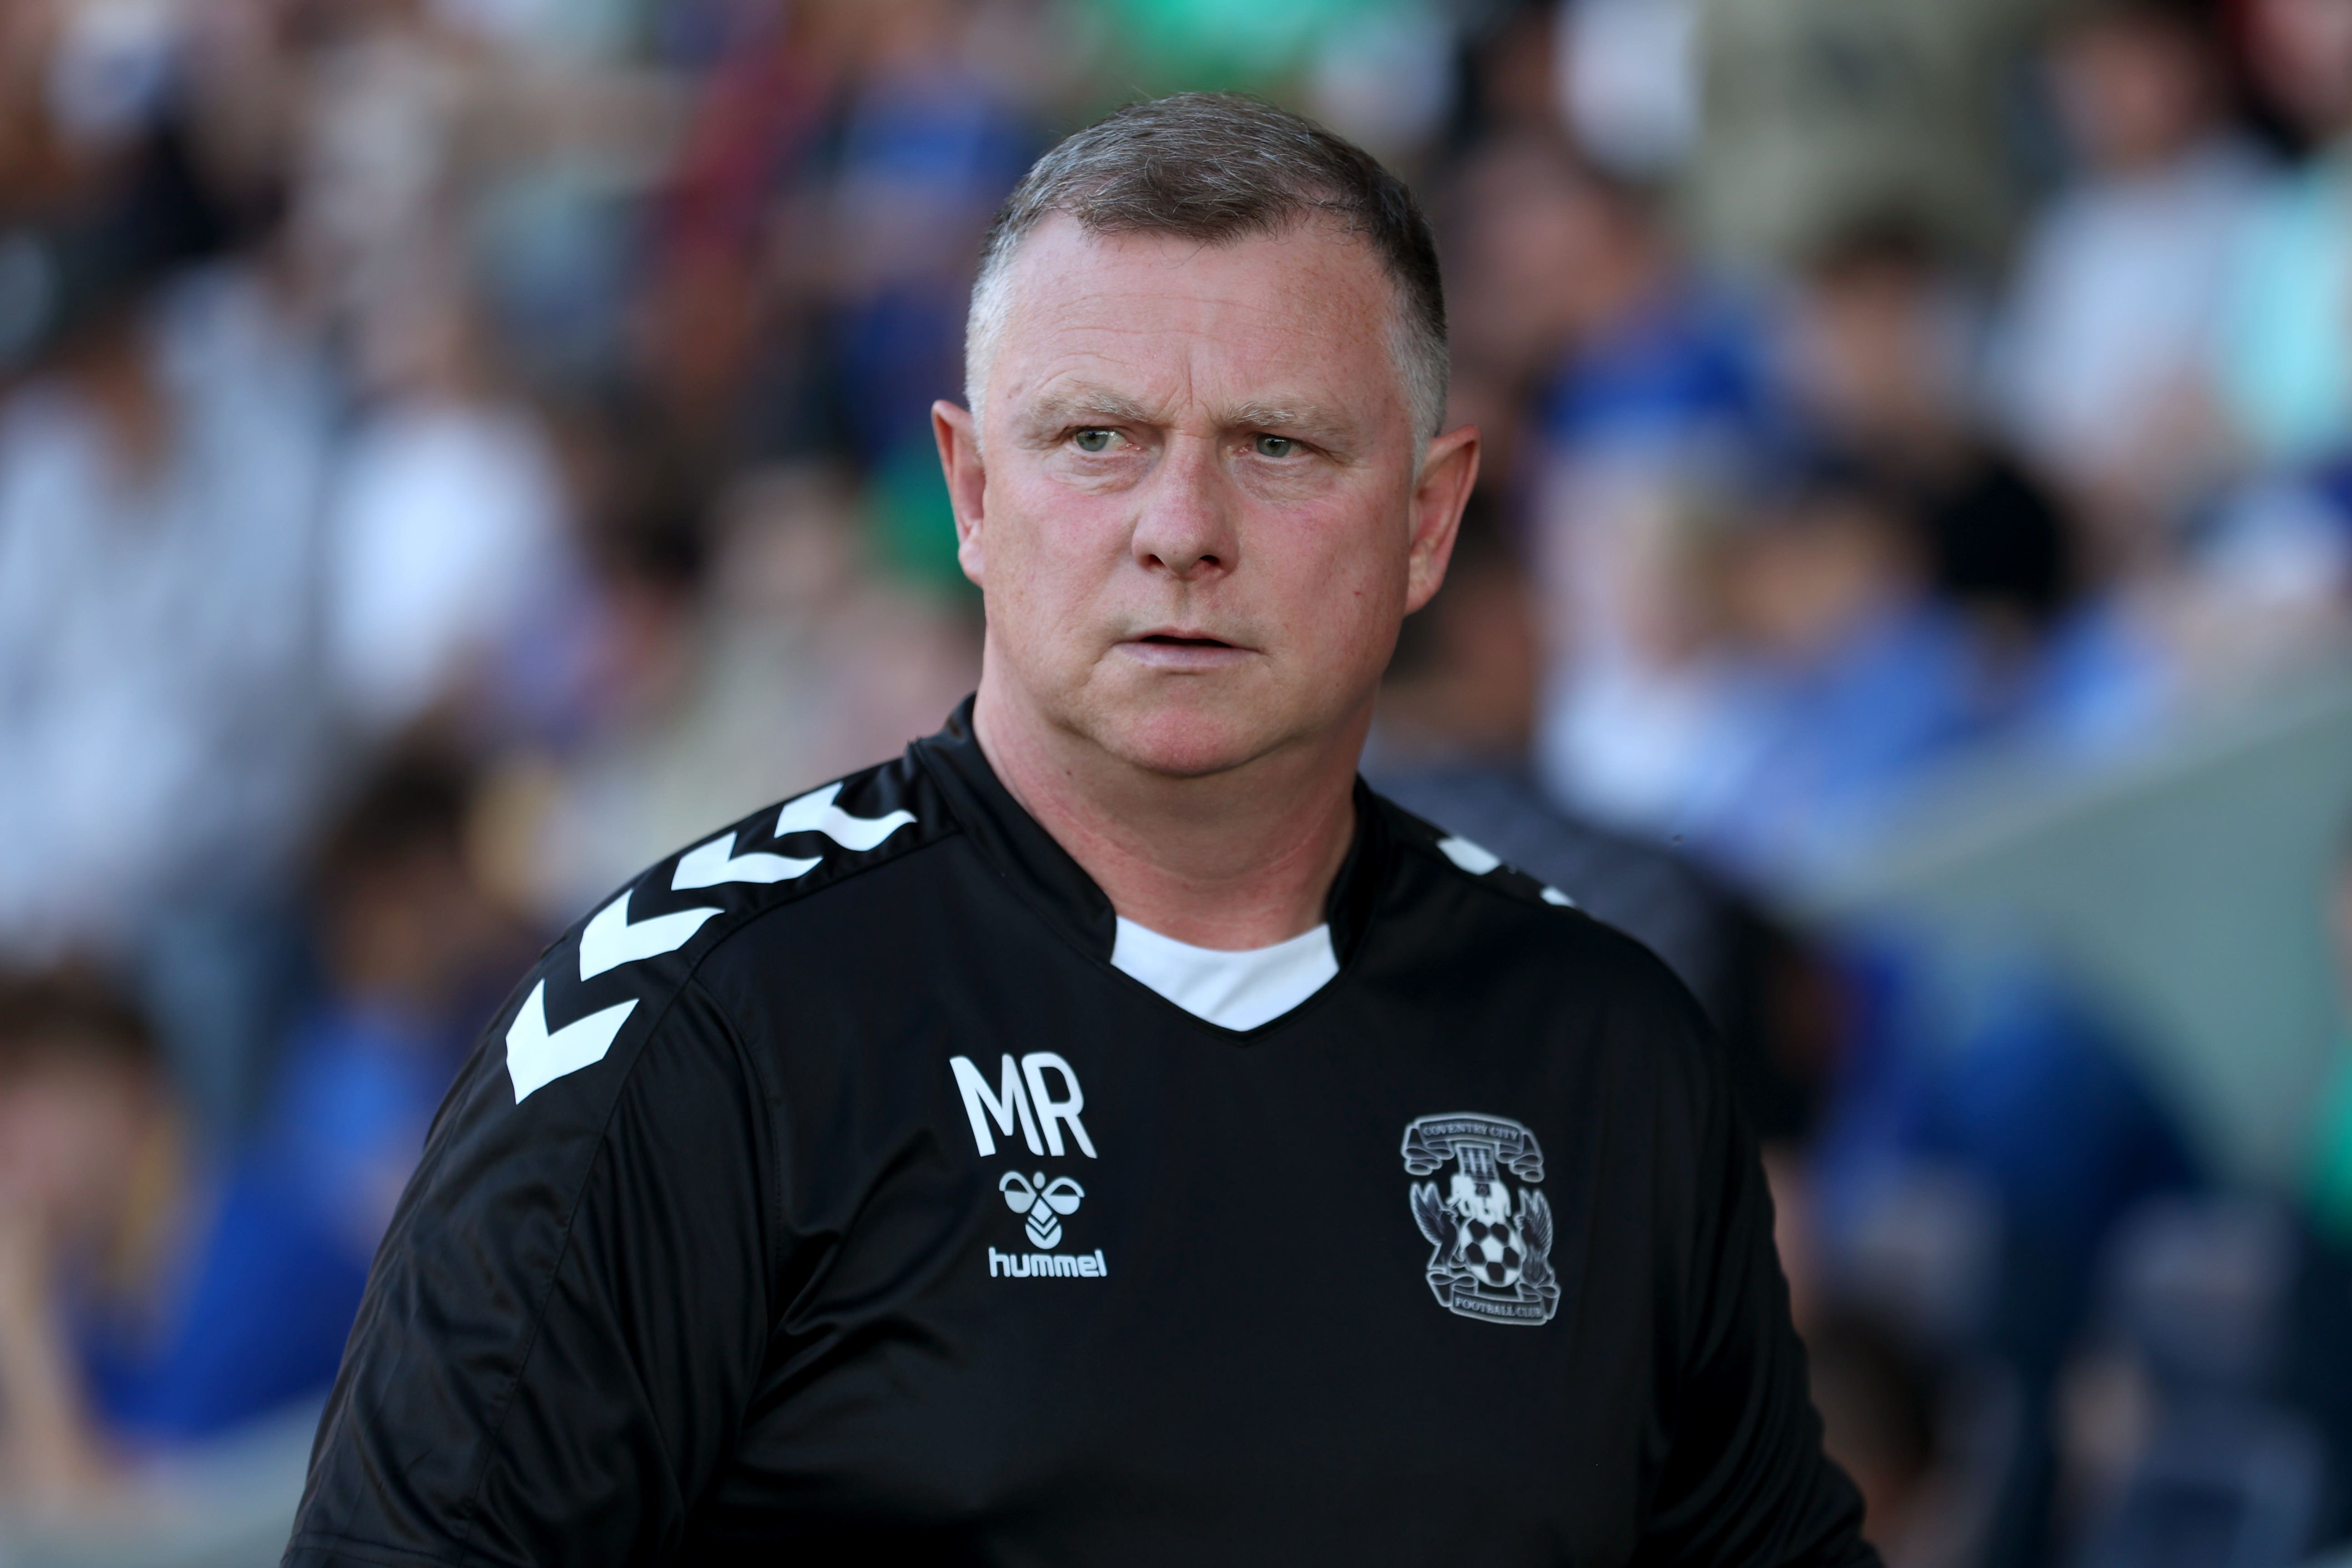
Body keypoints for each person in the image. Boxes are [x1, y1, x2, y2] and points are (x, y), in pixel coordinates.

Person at [286, 94, 1875, 1566]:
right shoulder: (694, 1032)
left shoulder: (1603, 1049)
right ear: (970, 494)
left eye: (1277, 444)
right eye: (1095, 439)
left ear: (1428, 518)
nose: (1179, 530)